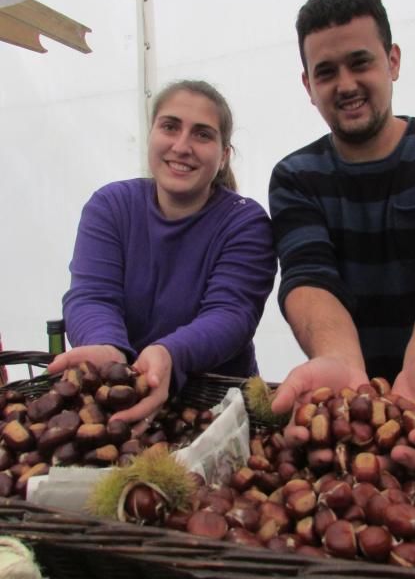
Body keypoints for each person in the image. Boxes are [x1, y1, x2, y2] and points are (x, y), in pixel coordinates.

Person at [269, 0, 415, 478]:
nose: (345, 84)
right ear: (308, 86)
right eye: (326, 72)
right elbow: (309, 280)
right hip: (339, 409)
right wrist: (339, 361)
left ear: (392, 61)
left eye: (361, 62)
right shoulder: (295, 176)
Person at [48, 80, 277, 426]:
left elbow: (231, 314)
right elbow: (92, 296)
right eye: (170, 127)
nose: (182, 146)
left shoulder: (245, 222)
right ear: (152, 133)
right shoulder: (110, 207)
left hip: (216, 412)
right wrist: (109, 351)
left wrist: (168, 354)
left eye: (202, 134)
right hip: (121, 400)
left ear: (224, 155)